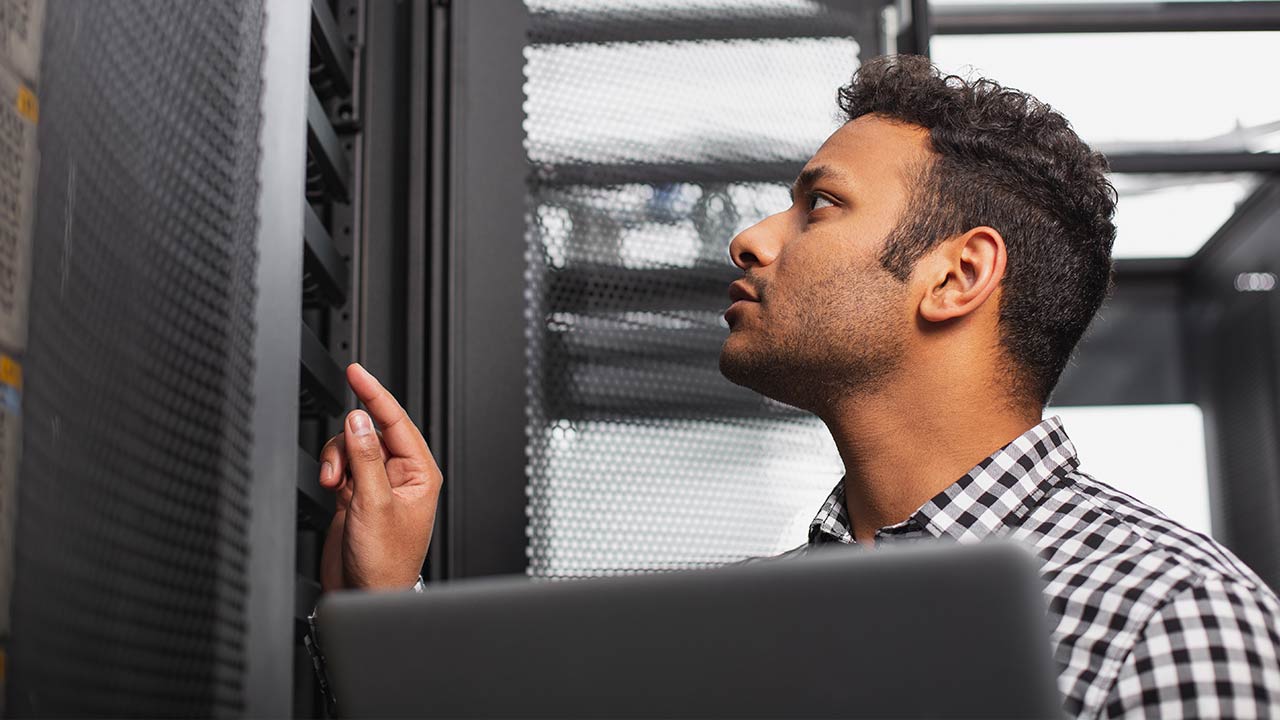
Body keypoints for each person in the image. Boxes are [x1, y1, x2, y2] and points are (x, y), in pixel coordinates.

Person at [311, 55, 1280, 718]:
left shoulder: (1168, 611)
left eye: (819, 203)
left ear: (953, 277)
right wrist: (380, 604)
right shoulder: (746, 624)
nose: (752, 238)